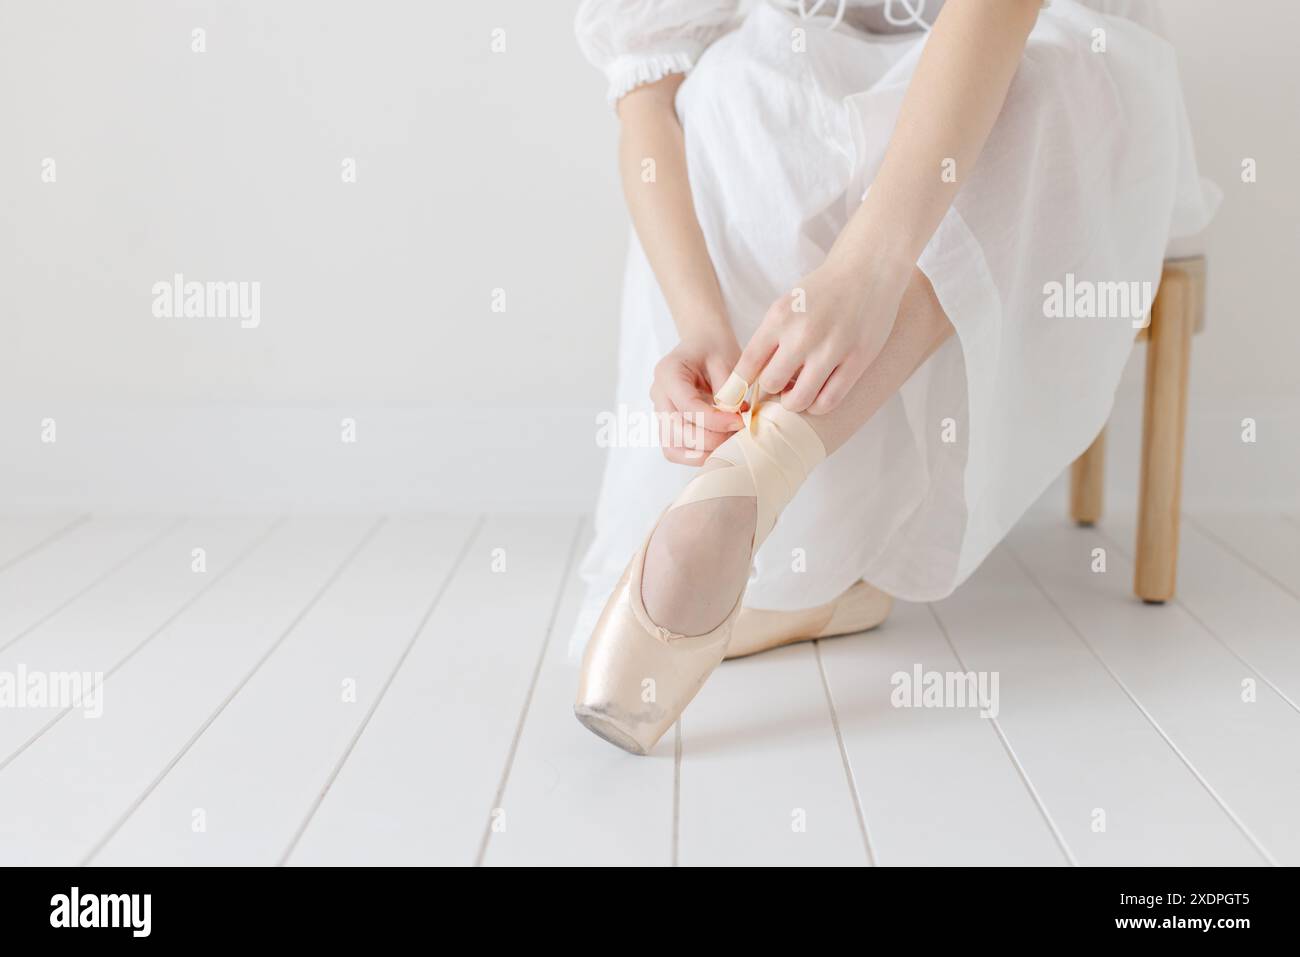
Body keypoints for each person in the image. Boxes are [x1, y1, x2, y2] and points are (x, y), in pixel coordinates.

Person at [570, 0, 1219, 754]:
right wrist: (701, 325)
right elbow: (648, 94)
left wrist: (868, 266)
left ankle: (751, 479)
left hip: (1028, 50)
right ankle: (800, 554)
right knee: (730, 88)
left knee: (1054, 87)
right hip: (833, 77)